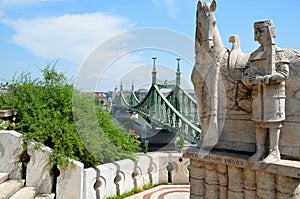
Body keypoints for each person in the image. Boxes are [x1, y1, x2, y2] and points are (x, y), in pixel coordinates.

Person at [242, 20, 290, 163]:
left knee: (273, 123)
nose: (257, 35)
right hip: (258, 96)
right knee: (259, 122)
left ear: (270, 32)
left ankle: (274, 152)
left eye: (260, 31)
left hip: (274, 96)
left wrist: (266, 79)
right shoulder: (254, 55)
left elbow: (284, 74)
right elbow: (245, 74)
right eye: (255, 32)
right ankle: (260, 150)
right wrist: (248, 80)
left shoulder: (278, 53)